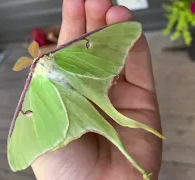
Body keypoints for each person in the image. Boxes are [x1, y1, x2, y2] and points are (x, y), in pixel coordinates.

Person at [31, 0, 163, 179]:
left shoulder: (55, 60)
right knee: (114, 122)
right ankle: (141, 171)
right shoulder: (37, 83)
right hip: (73, 99)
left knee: (114, 121)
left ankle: (141, 170)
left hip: (83, 86)